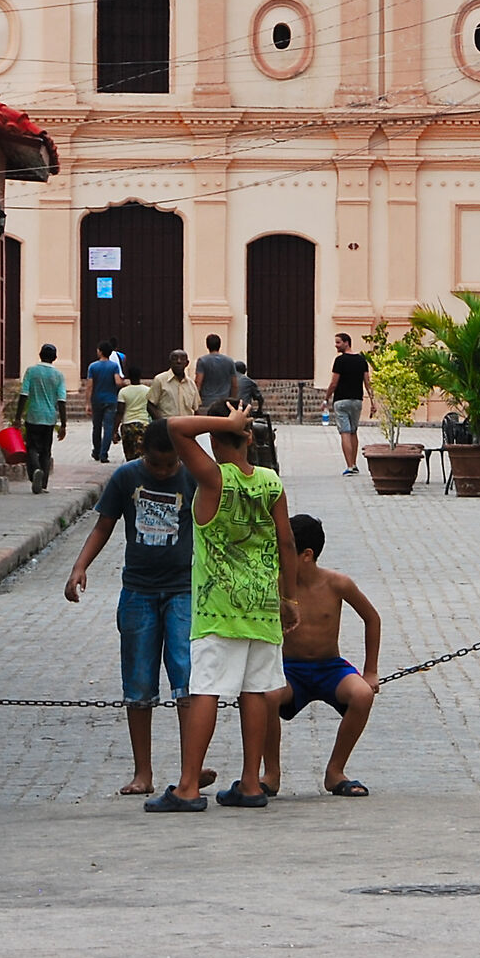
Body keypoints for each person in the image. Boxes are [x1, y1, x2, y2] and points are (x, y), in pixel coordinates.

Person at [146, 402, 295, 814]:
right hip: (263, 605)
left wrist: (225, 422)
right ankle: (250, 783)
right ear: (249, 438)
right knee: (255, 691)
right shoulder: (270, 482)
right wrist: (290, 597)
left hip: (219, 607)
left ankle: (189, 786)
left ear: (213, 438)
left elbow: (175, 427)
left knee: (207, 689)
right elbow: (286, 543)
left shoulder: (213, 479)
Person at [64, 426, 210, 796]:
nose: (163, 471)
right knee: (139, 682)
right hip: (138, 592)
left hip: (182, 590)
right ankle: (142, 772)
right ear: (143, 451)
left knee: (186, 678)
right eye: (156, 464)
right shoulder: (126, 477)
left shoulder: (193, 476)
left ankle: (189, 770)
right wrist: (80, 566)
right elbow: (103, 526)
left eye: (170, 463)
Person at [265, 514, 381, 799]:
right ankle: (271, 773)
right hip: (290, 669)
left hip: (330, 668)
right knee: (265, 696)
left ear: (306, 555)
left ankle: (335, 771)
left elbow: (372, 619)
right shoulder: (275, 583)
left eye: (285, 550)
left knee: (362, 695)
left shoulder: (337, 584)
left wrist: (370, 671)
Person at [16, 344, 67, 494]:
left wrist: (18, 417)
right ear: (55, 358)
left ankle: (35, 470)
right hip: (50, 418)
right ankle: (43, 484)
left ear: (39, 354)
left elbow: (23, 394)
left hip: (33, 415)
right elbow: (61, 400)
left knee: (31, 447)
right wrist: (63, 424)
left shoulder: (31, 371)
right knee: (46, 450)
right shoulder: (58, 376)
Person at [323, 333, 370, 475]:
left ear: (346, 343)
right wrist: (372, 401)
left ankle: (349, 466)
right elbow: (367, 383)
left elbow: (333, 383)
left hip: (341, 400)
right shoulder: (362, 360)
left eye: (338, 342)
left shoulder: (340, 361)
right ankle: (354, 463)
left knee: (345, 431)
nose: (336, 345)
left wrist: (326, 398)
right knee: (354, 431)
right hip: (357, 400)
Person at [85, 343, 125, 463]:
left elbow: (90, 386)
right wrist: (124, 384)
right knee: (108, 428)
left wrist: (87, 402)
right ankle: (104, 454)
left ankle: (96, 451)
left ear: (100, 352)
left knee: (96, 427)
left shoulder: (93, 366)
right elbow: (118, 382)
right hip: (111, 399)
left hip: (97, 400)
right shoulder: (113, 366)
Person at [149, 349, 200, 424]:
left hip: (187, 427)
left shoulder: (191, 384)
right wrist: (161, 423)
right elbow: (150, 405)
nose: (178, 361)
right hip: (167, 428)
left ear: (187, 363)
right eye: (175, 358)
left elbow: (196, 409)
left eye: (182, 359)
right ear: (170, 362)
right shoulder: (160, 380)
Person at [193, 334, 238, 413]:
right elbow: (234, 384)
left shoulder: (202, 361)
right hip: (224, 402)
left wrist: (195, 402)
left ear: (207, 345)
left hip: (206, 402)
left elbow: (198, 383)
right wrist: (232, 401)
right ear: (220, 345)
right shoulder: (229, 361)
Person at [116, 373, 153, 462]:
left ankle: (131, 469)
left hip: (127, 425)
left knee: (129, 453)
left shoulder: (123, 391)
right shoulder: (147, 390)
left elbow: (120, 411)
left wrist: (114, 430)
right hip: (143, 424)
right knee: (142, 453)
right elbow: (151, 407)